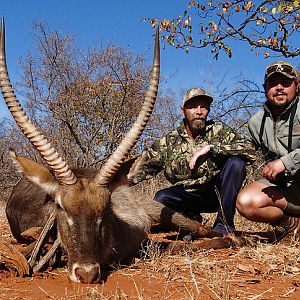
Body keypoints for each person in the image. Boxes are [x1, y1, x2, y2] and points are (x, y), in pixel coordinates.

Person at [129, 87, 256, 234]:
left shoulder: (220, 132)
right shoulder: (168, 142)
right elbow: (140, 168)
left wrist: (212, 149)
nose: (199, 111)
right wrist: (111, 182)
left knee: (236, 163)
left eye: (203, 107)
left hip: (216, 195)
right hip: (185, 197)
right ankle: (191, 219)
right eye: (193, 106)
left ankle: (224, 225)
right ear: (183, 111)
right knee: (161, 199)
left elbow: (250, 150)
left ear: (208, 110)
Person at [236, 61, 300, 238]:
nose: (279, 87)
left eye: (285, 82)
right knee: (246, 202)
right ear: (265, 88)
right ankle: (292, 225)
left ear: (296, 85)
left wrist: (285, 162)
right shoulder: (256, 122)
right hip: (287, 192)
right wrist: (209, 148)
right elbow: (239, 147)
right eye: (273, 83)